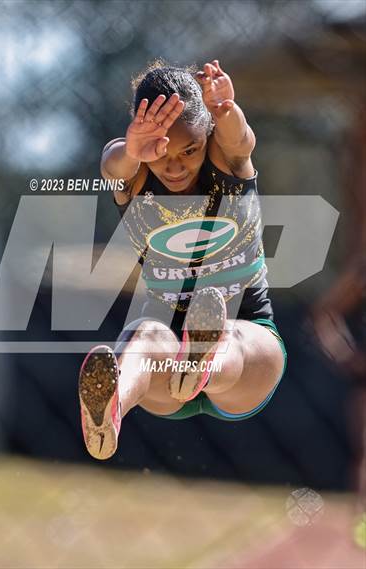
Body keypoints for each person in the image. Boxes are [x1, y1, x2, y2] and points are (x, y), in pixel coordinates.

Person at [79, 59, 287, 460]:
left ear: (207, 136)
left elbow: (240, 138)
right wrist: (134, 149)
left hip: (245, 350)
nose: (174, 165)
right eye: (161, 153)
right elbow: (112, 162)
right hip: (166, 359)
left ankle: (205, 356)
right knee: (144, 336)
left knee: (233, 335)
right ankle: (108, 410)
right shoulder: (133, 173)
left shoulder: (227, 160)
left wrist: (225, 108)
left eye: (189, 150)